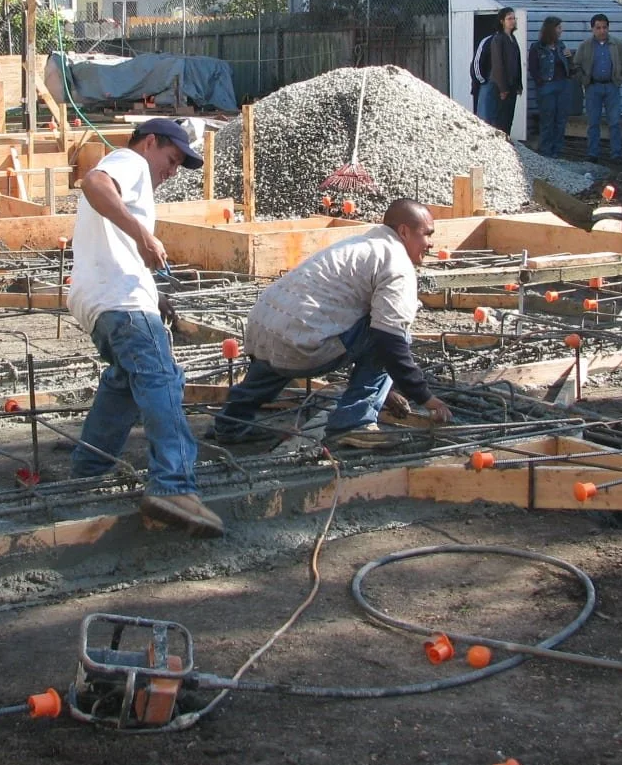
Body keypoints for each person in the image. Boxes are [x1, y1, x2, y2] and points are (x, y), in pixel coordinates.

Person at [66, 118, 224, 538]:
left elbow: (111, 245)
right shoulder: (130, 162)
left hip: (100, 303)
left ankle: (88, 469)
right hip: (121, 302)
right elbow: (93, 182)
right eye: (171, 159)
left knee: (124, 383)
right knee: (162, 380)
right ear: (150, 142)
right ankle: (174, 485)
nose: (171, 172)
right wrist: (142, 235)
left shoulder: (132, 178)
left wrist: (156, 295)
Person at [213, 199, 452, 442]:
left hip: (260, 331)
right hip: (301, 343)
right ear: (404, 231)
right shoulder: (396, 263)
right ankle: (354, 422)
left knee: (287, 338)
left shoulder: (358, 245)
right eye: (427, 234)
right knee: (389, 332)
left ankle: (231, 423)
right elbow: (388, 342)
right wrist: (423, 396)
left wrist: (385, 390)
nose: (430, 244)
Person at [574, 13, 622, 163]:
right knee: (593, 122)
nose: (602, 31)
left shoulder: (618, 45)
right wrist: (585, 79)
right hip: (593, 87)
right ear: (592, 29)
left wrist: (620, 79)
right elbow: (576, 66)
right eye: (598, 28)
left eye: (604, 27)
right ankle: (593, 154)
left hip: (612, 87)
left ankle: (616, 154)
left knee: (615, 122)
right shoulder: (585, 46)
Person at [528, 16, 573, 158]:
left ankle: (557, 151)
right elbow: (533, 68)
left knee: (561, 120)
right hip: (547, 86)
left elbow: (570, 67)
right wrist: (540, 82)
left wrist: (569, 57)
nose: (561, 31)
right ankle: (546, 151)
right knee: (547, 119)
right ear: (551, 29)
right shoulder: (537, 47)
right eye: (559, 28)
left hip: (562, 85)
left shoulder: (561, 46)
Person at [475, 8, 522, 135]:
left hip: (512, 84)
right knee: (500, 119)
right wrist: (502, 88)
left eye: (514, 18)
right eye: (509, 18)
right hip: (501, 86)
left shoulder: (512, 38)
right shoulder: (498, 39)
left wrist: (519, 84)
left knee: (508, 119)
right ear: (502, 21)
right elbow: (498, 64)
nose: (512, 21)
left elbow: (517, 63)